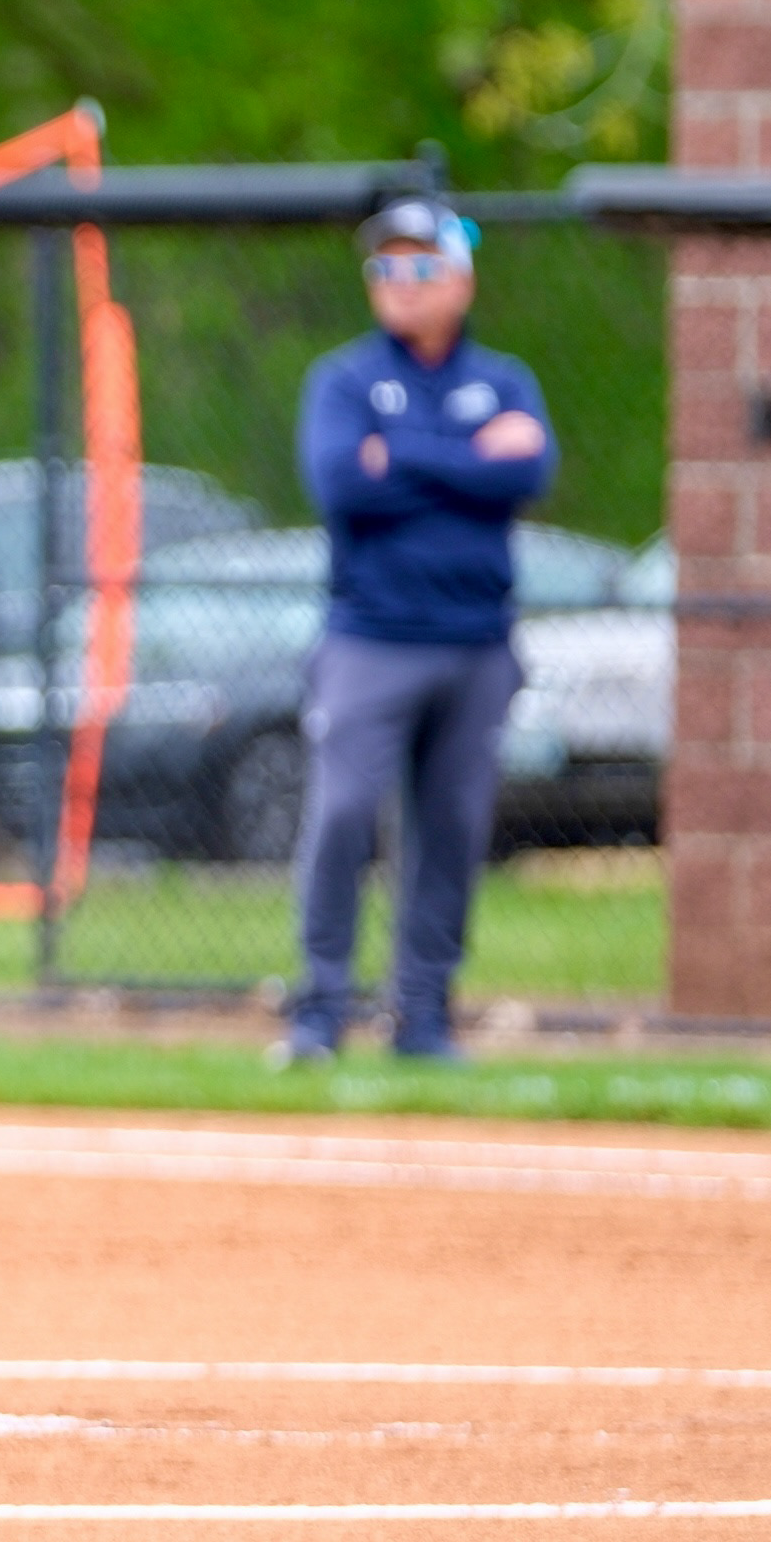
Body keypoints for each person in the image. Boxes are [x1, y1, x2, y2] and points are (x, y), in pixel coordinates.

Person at [272, 197, 556, 1066]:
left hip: (475, 642)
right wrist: (470, 456)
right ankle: (318, 1013)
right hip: (371, 639)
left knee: (452, 830)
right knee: (346, 812)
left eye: (420, 266)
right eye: (385, 268)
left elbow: (531, 471)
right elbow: (343, 485)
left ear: (460, 282)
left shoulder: (503, 378)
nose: (401, 283)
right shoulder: (346, 381)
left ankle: (424, 1018)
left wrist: (402, 452)